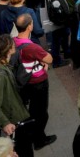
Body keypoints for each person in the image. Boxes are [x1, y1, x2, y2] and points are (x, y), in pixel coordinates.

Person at [13, 13, 56, 149]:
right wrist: (44, 61)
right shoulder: (32, 47)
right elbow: (49, 58)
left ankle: (33, 134)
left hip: (26, 81)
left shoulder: (14, 41)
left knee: (33, 110)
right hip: (38, 82)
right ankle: (39, 140)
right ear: (29, 27)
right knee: (41, 113)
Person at [0, 35, 33, 157]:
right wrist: (5, 123)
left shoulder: (2, 66)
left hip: (16, 117)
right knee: (25, 151)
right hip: (14, 122)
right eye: (13, 45)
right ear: (8, 50)